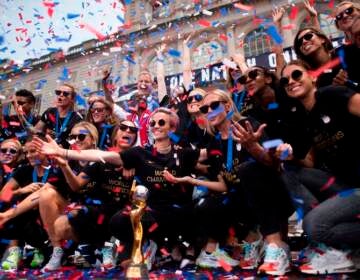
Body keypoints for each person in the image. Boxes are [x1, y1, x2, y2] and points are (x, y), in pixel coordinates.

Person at [197, 88, 293, 276]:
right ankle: (252, 240)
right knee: (207, 204)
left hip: (275, 195)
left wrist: (253, 146)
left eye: (214, 105)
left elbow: (274, 164)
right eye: (204, 109)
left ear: (227, 105)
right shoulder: (215, 143)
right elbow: (225, 184)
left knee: (247, 170)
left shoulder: (247, 124)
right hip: (245, 204)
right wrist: (191, 180)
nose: (209, 111)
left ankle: (276, 244)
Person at [279, 60, 360, 274]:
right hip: (345, 188)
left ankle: (337, 248)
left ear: (312, 76)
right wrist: (288, 156)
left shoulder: (332, 95)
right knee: (289, 172)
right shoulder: (303, 119)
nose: (291, 81)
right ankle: (335, 250)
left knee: (314, 226)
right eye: (285, 80)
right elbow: (309, 164)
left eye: (297, 75)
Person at [0, 136, 53, 270]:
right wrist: (21, 190)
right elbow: (3, 195)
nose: (29, 156)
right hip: (24, 218)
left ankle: (39, 248)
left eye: (33, 151)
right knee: (12, 200)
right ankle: (14, 252)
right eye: (27, 152)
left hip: (49, 218)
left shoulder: (56, 169)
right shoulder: (24, 170)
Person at [34, 84, 83, 148]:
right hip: (46, 148)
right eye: (58, 92)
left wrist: (60, 146)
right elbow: (36, 131)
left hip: (64, 152)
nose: (61, 95)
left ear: (72, 99)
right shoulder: (49, 112)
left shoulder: (77, 118)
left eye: (65, 93)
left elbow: (75, 139)